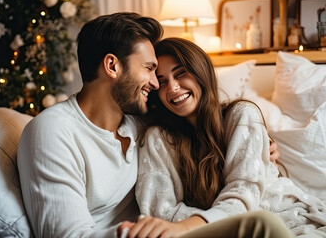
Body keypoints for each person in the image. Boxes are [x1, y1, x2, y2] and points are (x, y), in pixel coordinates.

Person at [18, 12, 284, 238]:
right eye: (149, 69)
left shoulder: (140, 121)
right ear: (112, 65)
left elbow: (203, 127)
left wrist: (261, 147)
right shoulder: (53, 132)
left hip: (166, 230)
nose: (157, 85)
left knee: (267, 224)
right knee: (262, 225)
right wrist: (137, 231)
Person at [134, 37, 326, 237]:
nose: (173, 87)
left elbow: (244, 194)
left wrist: (187, 224)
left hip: (289, 223)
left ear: (201, 72)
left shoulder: (242, 115)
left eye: (181, 73)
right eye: (162, 81)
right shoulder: (157, 138)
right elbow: (159, 213)